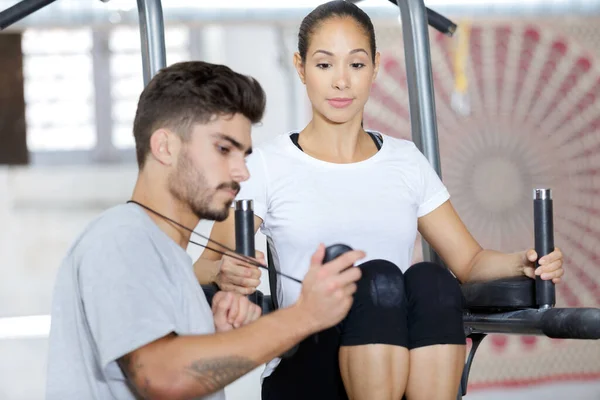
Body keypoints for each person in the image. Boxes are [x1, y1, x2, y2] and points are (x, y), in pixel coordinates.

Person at [194, 2, 565, 400]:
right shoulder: (266, 165)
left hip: (395, 362)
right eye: (324, 65)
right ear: (300, 68)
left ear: (374, 66)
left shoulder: (405, 160)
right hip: (309, 363)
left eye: (355, 65)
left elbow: (469, 262)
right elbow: (202, 268)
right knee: (378, 280)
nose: (341, 82)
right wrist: (221, 274)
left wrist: (523, 263)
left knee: (433, 281)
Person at [45, 61, 365, 400]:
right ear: (165, 147)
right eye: (224, 149)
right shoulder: (121, 238)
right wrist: (303, 316)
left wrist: (212, 335)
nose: (242, 172)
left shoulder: (168, 258)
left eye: (244, 155)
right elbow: (163, 377)